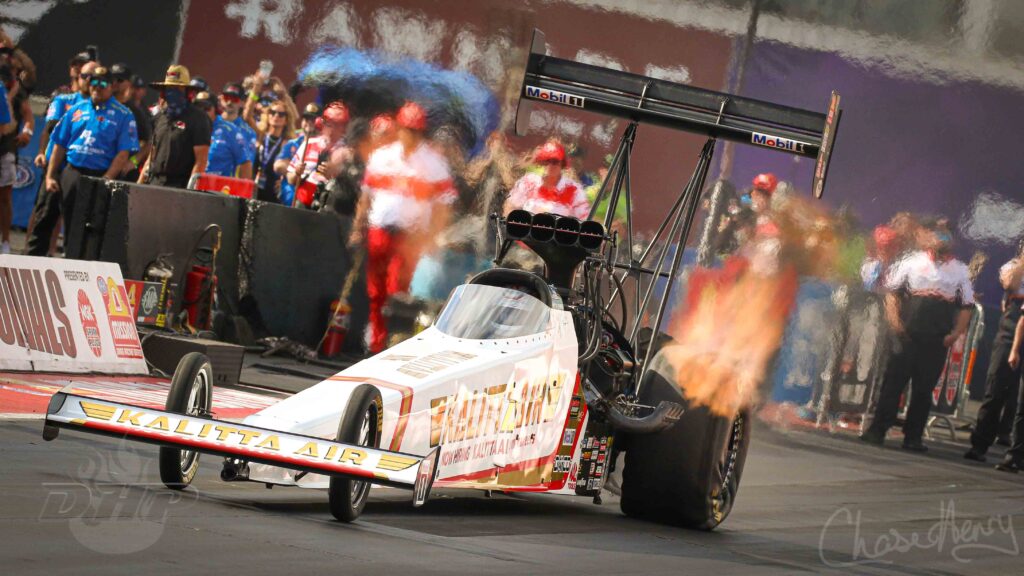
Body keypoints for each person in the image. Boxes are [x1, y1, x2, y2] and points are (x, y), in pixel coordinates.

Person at [350, 101, 456, 353]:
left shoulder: (433, 163)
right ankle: (375, 341)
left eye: (416, 131)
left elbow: (444, 205)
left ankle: (391, 341)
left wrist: (432, 236)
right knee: (375, 290)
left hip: (410, 236)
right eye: (408, 129)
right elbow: (366, 197)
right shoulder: (381, 156)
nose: (411, 135)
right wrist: (357, 227)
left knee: (397, 289)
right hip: (379, 229)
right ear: (399, 128)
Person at [861, 222, 975, 451]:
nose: (941, 238)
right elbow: (892, 294)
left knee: (924, 390)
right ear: (928, 236)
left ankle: (913, 437)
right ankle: (878, 430)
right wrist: (895, 323)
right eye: (937, 233)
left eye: (946, 234)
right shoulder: (911, 262)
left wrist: (955, 334)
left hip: (936, 340)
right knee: (893, 384)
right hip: (907, 336)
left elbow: (966, 306)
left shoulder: (960, 270)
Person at [42, 66, 137, 246]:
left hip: (100, 176)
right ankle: (67, 256)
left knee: (93, 227)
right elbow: (59, 144)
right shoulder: (76, 109)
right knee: (69, 221)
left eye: (103, 84)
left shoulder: (124, 115)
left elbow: (123, 153)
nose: (97, 87)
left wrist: (107, 178)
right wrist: (50, 176)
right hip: (73, 172)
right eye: (94, 82)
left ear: (112, 86)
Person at [25, 59, 97, 256]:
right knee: (44, 217)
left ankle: (65, 261)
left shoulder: (104, 108)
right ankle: (31, 259)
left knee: (77, 224)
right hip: (56, 168)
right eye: (85, 76)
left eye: (94, 77)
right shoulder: (63, 101)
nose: (89, 80)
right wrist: (42, 153)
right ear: (78, 77)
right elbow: (50, 131)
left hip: (81, 172)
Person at [965, 243, 1024, 462]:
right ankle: (979, 444)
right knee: (996, 387)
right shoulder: (1012, 266)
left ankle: (1014, 449)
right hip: (1010, 329)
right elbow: (1010, 284)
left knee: (1018, 397)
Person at [139, 65, 211, 188]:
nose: (172, 92)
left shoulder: (198, 118)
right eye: (169, 88)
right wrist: (140, 184)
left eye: (177, 88)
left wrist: (190, 191)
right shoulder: (159, 117)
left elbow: (201, 160)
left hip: (179, 186)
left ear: (186, 92)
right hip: (154, 183)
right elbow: (152, 154)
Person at [504, 140, 589, 219]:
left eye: (555, 162)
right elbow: (510, 206)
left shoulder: (574, 190)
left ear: (562, 164)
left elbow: (584, 218)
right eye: (546, 161)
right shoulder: (529, 182)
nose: (550, 165)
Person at [286, 101, 348, 208]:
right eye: (328, 123)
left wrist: (334, 175)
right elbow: (290, 179)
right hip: (302, 205)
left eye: (336, 124)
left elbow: (349, 189)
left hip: (327, 207)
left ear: (343, 127)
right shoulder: (309, 144)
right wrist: (297, 172)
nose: (331, 128)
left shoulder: (347, 152)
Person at [110, 63, 152, 182]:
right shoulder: (100, 103)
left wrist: (133, 161)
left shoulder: (134, 111)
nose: (115, 82)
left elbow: (150, 142)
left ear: (128, 83)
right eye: (112, 78)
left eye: (120, 80)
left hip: (121, 173)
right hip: (99, 165)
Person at [203, 84, 253, 179]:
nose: (229, 102)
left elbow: (246, 164)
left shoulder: (239, 132)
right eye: (226, 97)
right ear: (221, 98)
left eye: (235, 99)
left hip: (221, 185)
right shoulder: (193, 124)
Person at [274, 103, 318, 207]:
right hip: (289, 198)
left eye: (313, 120)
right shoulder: (293, 143)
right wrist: (293, 168)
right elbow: (278, 166)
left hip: (310, 201)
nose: (309, 122)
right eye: (306, 119)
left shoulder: (323, 146)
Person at [253, 99, 294, 203]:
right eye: (272, 112)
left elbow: (292, 169)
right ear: (267, 115)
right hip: (255, 189)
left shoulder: (288, 144)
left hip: (274, 194)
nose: (276, 116)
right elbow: (246, 116)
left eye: (281, 114)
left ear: (286, 120)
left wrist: (284, 181)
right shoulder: (260, 136)